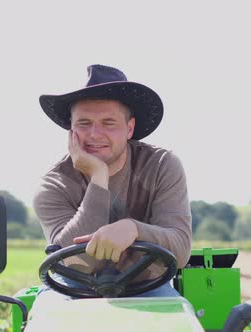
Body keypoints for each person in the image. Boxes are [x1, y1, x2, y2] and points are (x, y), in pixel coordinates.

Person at [32, 64, 192, 299]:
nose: (95, 134)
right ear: (71, 129)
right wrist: (99, 176)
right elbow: (75, 262)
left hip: (147, 285)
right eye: (84, 123)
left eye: (108, 123)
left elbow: (180, 248)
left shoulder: (161, 166)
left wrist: (133, 229)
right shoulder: (54, 185)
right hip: (73, 285)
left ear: (129, 128)